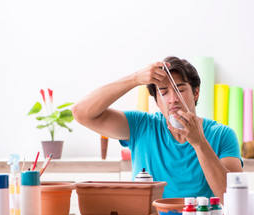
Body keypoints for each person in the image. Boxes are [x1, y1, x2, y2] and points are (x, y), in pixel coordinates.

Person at [72, 56, 243, 201]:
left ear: (196, 93)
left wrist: (200, 144)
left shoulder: (222, 135)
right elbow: (81, 113)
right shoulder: (141, 126)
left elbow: (233, 198)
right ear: (156, 101)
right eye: (164, 92)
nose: (173, 99)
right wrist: (135, 79)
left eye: (180, 90)